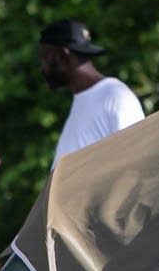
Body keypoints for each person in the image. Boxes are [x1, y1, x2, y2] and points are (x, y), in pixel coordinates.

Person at [40, 20, 146, 165]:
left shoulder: (115, 96)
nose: (42, 68)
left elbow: (138, 163)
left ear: (63, 57)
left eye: (44, 57)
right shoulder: (82, 101)